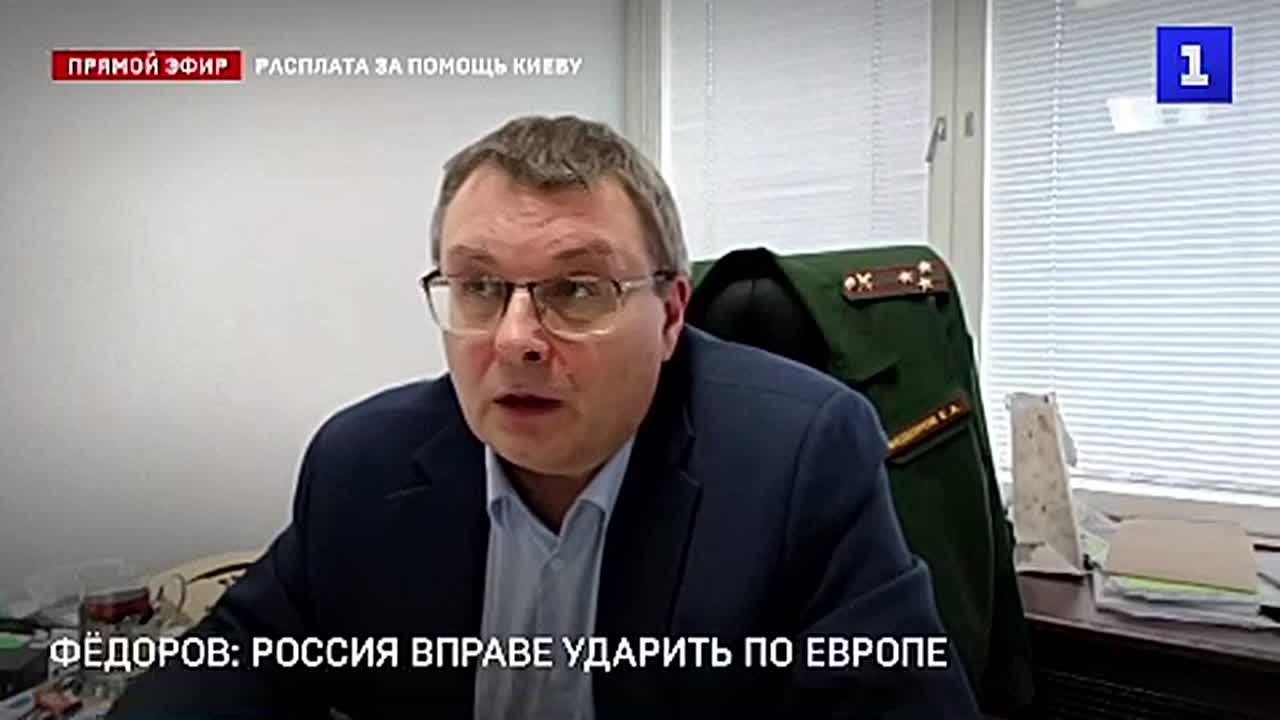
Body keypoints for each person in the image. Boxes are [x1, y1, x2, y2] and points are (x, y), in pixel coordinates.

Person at [107, 115, 980, 718]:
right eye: (481, 287)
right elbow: (238, 659)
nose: (517, 339)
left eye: (577, 289)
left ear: (671, 316)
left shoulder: (800, 458)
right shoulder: (363, 464)